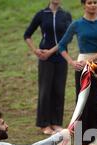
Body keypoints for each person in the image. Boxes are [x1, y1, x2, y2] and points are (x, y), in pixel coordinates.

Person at [58, 0, 97, 145]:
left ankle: (91, 140)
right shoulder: (76, 24)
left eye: (95, 2)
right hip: (82, 67)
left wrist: (90, 61)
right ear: (84, 5)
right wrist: (72, 62)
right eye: (89, 2)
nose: (93, 5)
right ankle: (81, 143)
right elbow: (62, 45)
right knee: (82, 104)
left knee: (94, 103)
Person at [24, 0, 72, 135]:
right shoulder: (41, 14)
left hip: (61, 57)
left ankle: (56, 122)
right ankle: (44, 124)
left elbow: (67, 37)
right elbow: (27, 35)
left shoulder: (66, 15)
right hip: (45, 59)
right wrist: (36, 51)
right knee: (45, 91)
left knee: (59, 90)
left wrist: (51, 51)